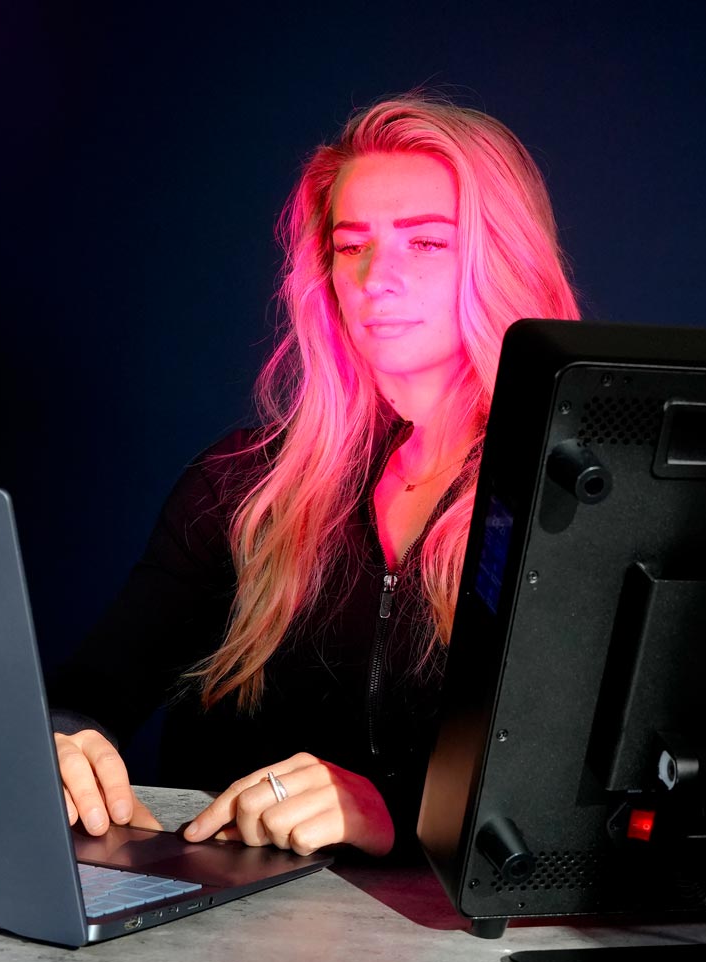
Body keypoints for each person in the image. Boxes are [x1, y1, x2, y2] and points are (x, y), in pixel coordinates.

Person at [47, 91, 580, 859]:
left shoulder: (568, 497)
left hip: (449, 956)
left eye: (426, 243)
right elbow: (90, 692)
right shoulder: (244, 486)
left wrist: (391, 811)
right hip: (214, 940)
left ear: (502, 258)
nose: (374, 276)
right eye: (351, 243)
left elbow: (590, 801)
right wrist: (63, 742)